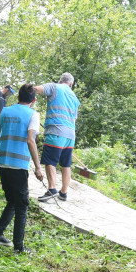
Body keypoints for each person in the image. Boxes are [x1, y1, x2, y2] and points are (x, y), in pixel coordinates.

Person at [0, 83, 44, 253]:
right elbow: (31, 140)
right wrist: (38, 168)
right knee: (22, 205)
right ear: (33, 100)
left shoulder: (5, 112)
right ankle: (19, 247)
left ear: (17, 98)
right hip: (18, 167)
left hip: (2, 164)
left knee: (12, 200)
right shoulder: (33, 114)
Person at [33, 73, 80, 202]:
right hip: (70, 135)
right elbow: (74, 119)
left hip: (56, 131)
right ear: (71, 84)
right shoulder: (75, 98)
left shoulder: (54, 87)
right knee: (66, 165)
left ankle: (52, 189)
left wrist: (28, 96)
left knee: (50, 161)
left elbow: (36, 89)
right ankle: (63, 193)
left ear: (61, 81)